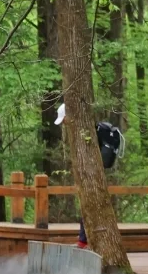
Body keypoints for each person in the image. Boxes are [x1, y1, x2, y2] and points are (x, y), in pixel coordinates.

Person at [53, 104, 125, 249]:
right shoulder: (85, 131)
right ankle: (84, 240)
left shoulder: (87, 131)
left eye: (64, 119)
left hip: (94, 177)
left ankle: (84, 241)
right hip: (93, 176)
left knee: (89, 205)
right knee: (88, 206)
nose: (64, 123)